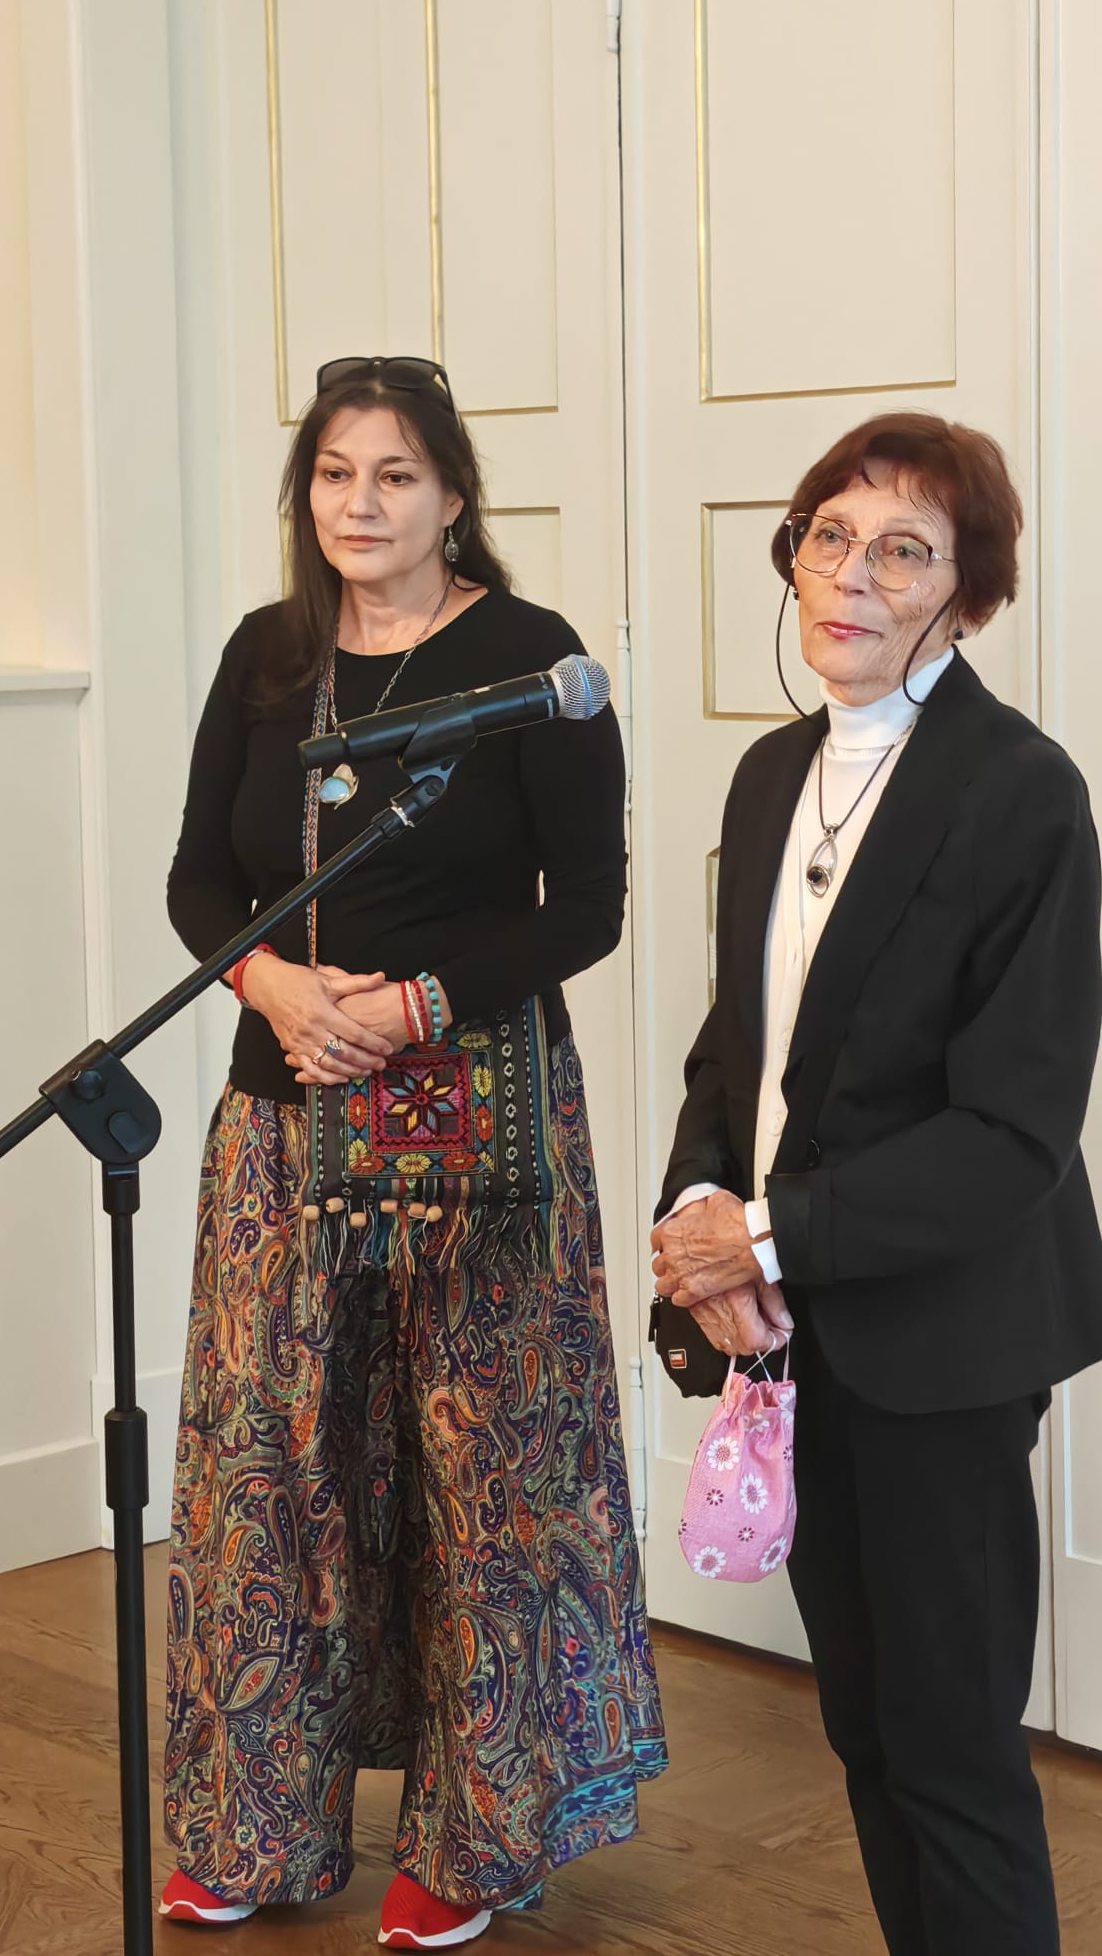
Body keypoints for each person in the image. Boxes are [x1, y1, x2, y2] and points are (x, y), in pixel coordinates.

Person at [162, 356, 665, 1948]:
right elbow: (195, 878)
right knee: (272, 1467)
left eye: (394, 474)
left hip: (478, 1116)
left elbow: (591, 905)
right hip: (281, 1108)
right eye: (334, 473)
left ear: (454, 494)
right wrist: (273, 984)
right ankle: (252, 1825)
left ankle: (480, 1844)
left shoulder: (533, 664)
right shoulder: (267, 659)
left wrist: (415, 1005)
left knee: (483, 1475)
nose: (360, 503)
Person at [651, 411, 1102, 1955]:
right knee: (861, 1729)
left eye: (902, 551)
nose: (850, 576)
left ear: (967, 598)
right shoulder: (768, 774)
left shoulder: (1021, 790)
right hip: (797, 1336)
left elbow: (1014, 1131)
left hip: (945, 1344)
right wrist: (694, 1217)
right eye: (829, 539)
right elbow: (741, 1046)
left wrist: (761, 1236)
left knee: (951, 1753)